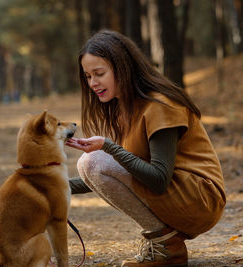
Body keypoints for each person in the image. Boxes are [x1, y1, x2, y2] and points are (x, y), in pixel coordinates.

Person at [66, 30, 226, 267]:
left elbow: (158, 179)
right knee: (91, 164)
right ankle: (165, 244)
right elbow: (117, 175)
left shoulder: (159, 106)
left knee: (91, 161)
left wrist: (109, 147)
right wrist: (52, 186)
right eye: (88, 76)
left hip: (201, 200)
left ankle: (166, 246)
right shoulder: (126, 108)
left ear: (123, 68)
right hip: (179, 196)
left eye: (99, 74)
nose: (92, 83)